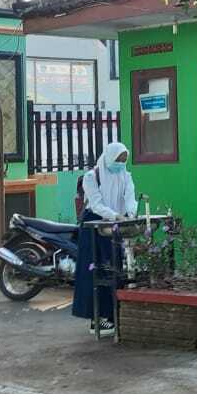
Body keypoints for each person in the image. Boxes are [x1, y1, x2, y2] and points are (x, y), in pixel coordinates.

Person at [72, 142, 136, 335]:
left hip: (113, 227)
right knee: (95, 270)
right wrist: (114, 215)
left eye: (124, 160)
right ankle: (96, 319)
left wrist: (131, 213)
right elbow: (97, 204)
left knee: (114, 268)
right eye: (118, 160)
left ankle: (111, 316)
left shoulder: (125, 176)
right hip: (94, 227)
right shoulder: (92, 177)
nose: (121, 164)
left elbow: (129, 197)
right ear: (109, 157)